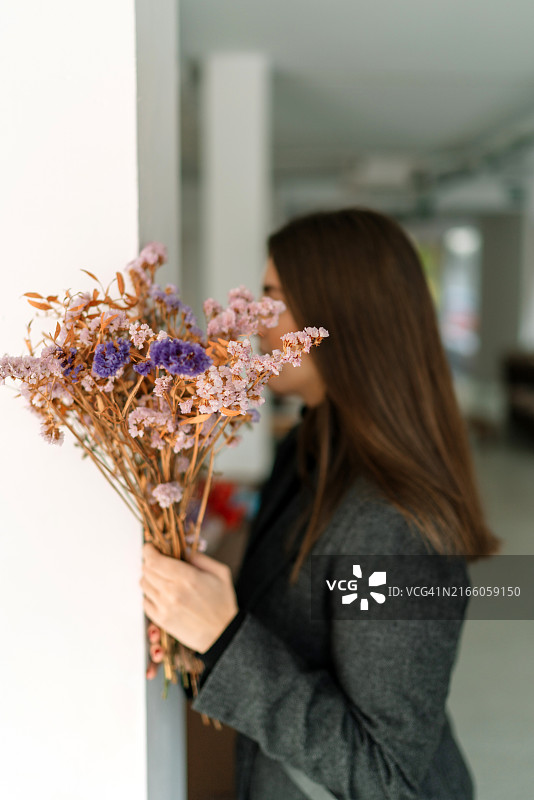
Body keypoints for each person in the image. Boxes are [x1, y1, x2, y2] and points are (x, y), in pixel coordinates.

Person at [140, 208, 501, 799]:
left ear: (340, 317)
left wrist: (224, 639)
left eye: (273, 297)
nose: (257, 322)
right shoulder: (310, 450)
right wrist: (194, 635)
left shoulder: (392, 526)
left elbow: (388, 779)